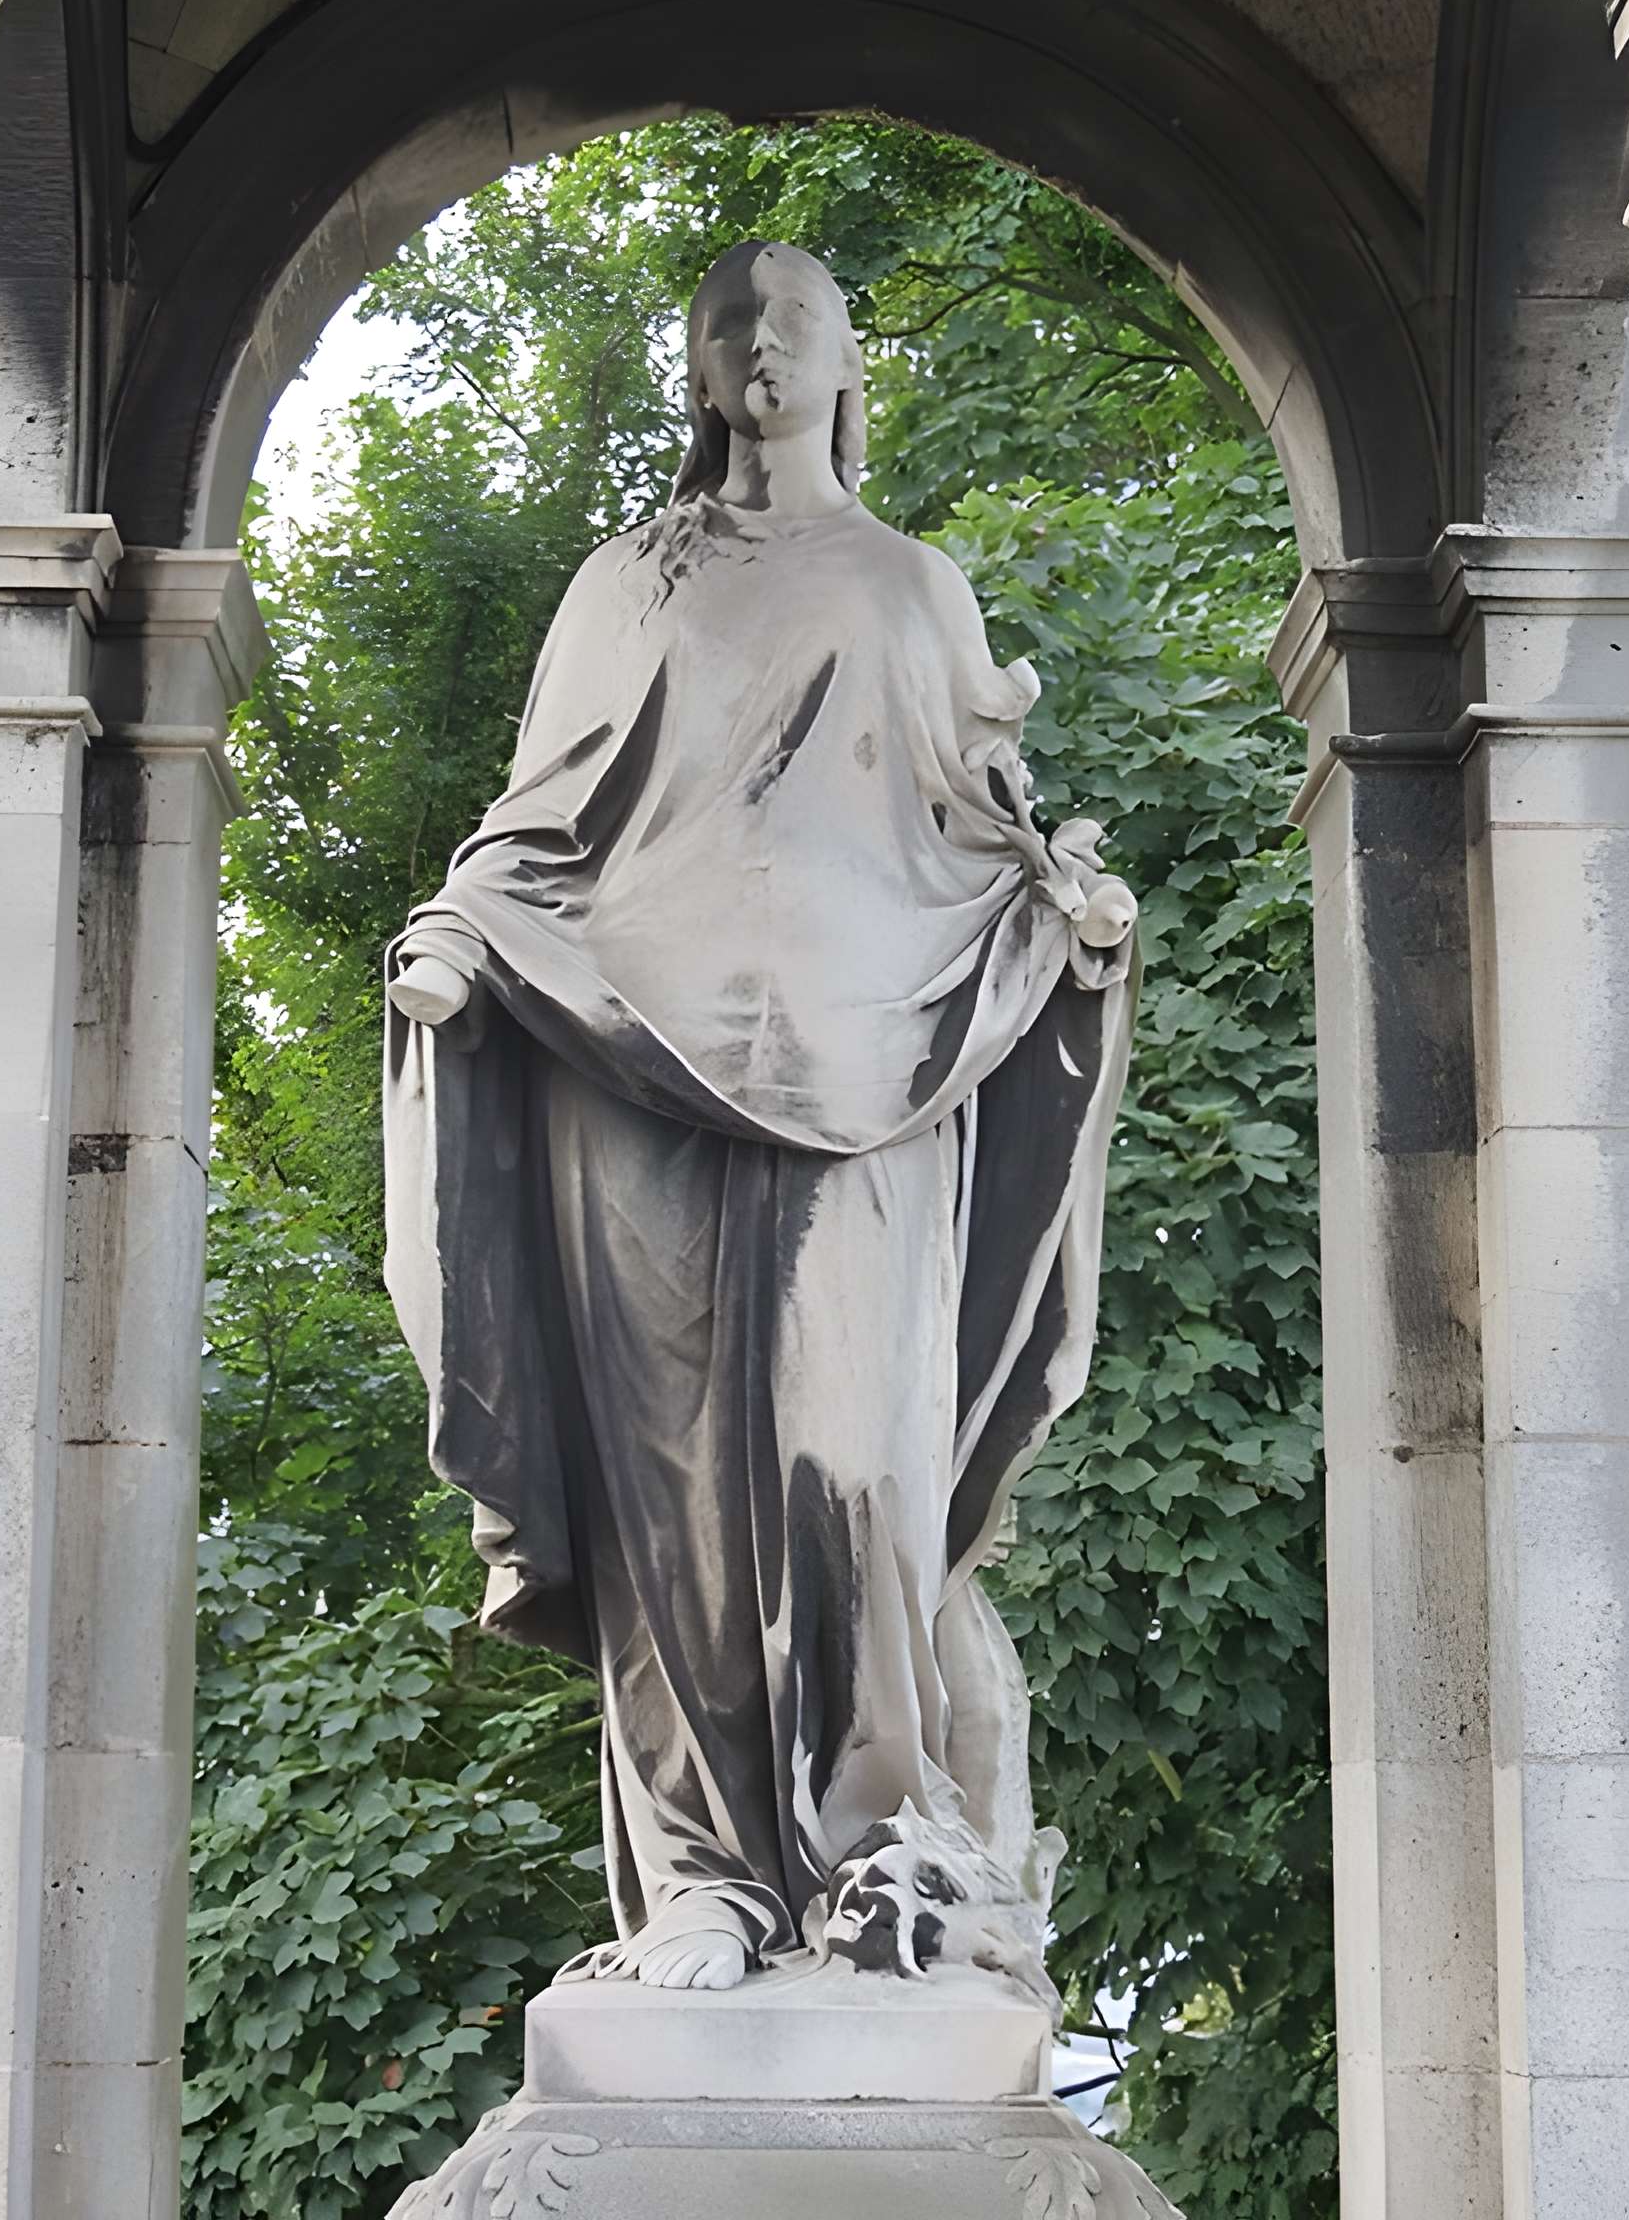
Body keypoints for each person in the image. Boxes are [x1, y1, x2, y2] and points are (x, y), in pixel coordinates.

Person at [384, 241, 1136, 1994]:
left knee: (853, 1465)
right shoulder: (624, 583)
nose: (761, 339)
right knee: (670, 1500)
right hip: (622, 1047)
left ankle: (880, 1845)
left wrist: (1068, 916)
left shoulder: (908, 586)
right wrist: (464, 936)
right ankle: (707, 1880)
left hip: (872, 1059)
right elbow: (541, 820)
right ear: (699, 369)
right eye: (728, 317)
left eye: (797, 314)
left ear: (850, 360)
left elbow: (980, 828)